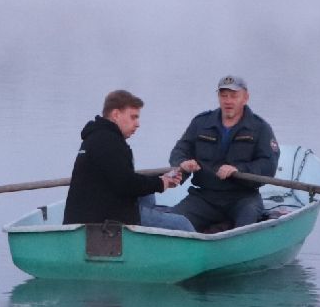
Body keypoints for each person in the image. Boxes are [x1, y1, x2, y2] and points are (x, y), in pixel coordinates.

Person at [64, 89, 193, 231]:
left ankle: (158, 218)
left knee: (148, 196)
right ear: (116, 115)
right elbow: (126, 184)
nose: (138, 124)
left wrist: (162, 179)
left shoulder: (98, 137)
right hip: (103, 222)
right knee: (182, 223)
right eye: (133, 117)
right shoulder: (108, 141)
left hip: (97, 208)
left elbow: (122, 177)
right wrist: (161, 183)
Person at [169, 75, 280, 233]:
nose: (228, 101)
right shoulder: (201, 123)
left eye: (234, 96)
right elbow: (180, 150)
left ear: (245, 97)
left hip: (243, 198)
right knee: (172, 223)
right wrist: (182, 163)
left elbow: (268, 166)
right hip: (204, 198)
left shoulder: (261, 128)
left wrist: (238, 170)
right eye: (223, 95)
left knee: (244, 228)